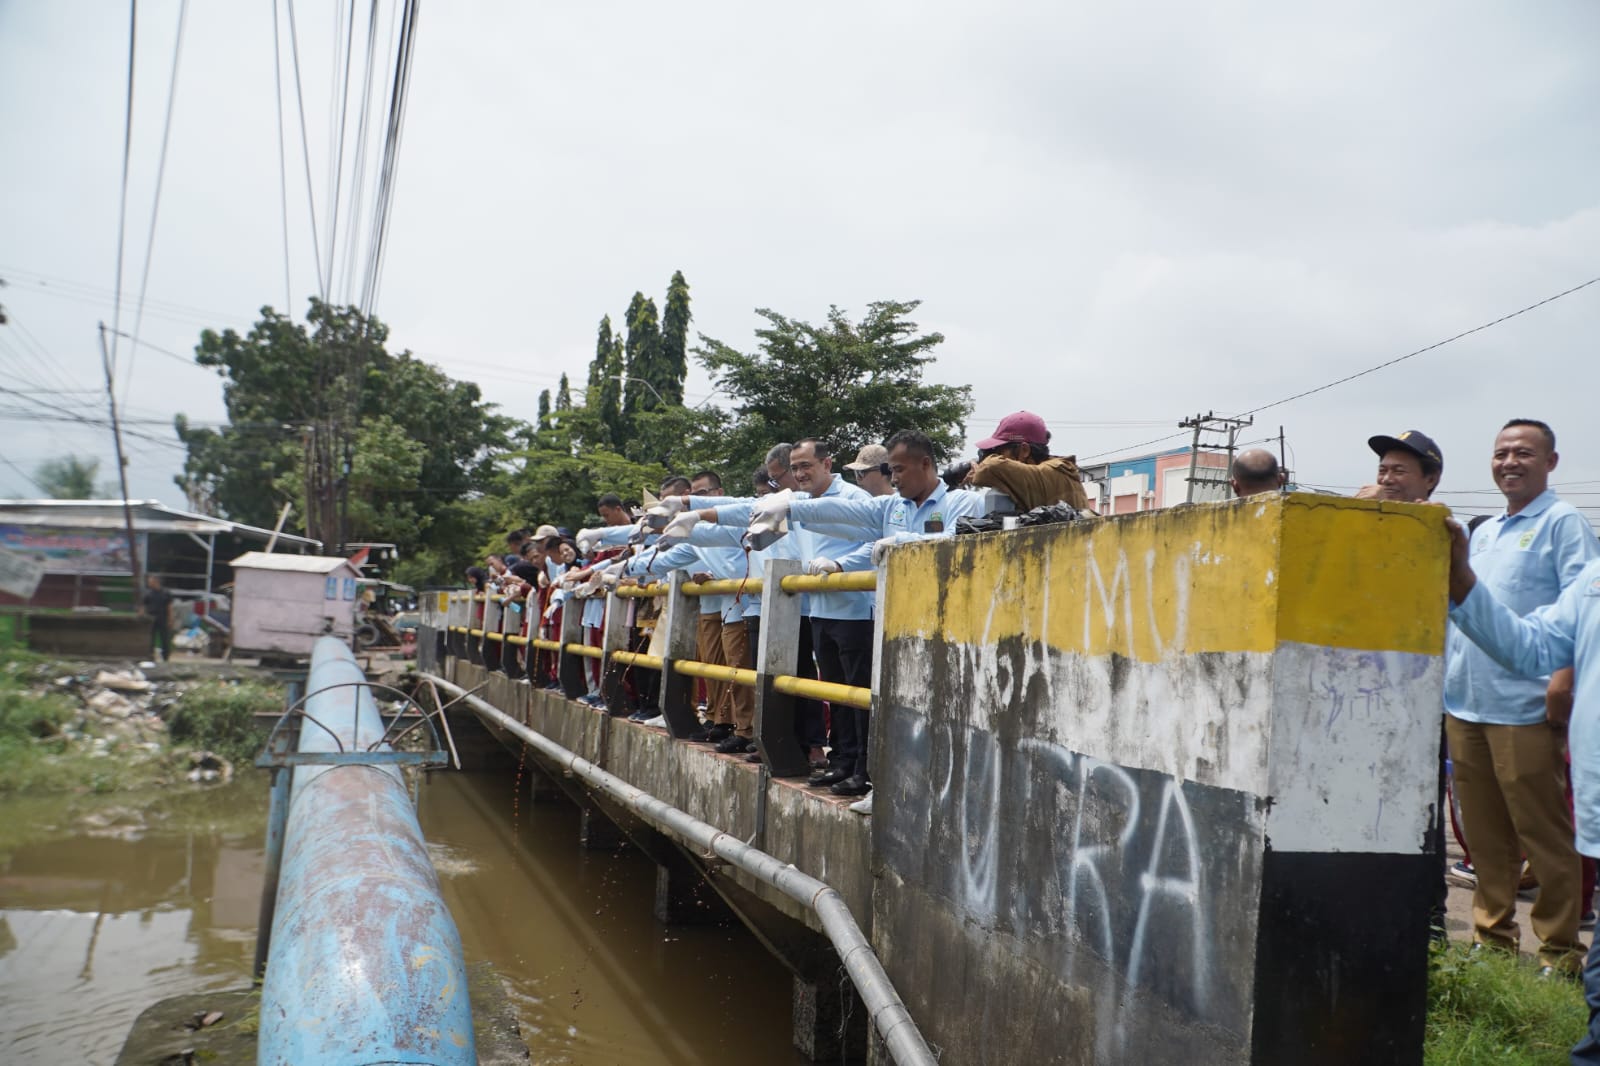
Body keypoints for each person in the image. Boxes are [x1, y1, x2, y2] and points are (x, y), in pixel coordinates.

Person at [1444, 513, 1600, 1053]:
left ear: (1548, 461)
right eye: (1502, 451)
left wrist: (1564, 677)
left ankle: (1558, 952)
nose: (1509, 460)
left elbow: (1582, 611)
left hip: (1524, 706)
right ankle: (1493, 939)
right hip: (1466, 701)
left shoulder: (1564, 525)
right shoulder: (1482, 534)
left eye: (1523, 452)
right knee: (1487, 840)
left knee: (1544, 833)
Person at [967, 411, 1090, 511]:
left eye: (1001, 452)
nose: (999, 457)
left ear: (1024, 450)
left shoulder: (1047, 474)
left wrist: (979, 468)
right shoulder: (1054, 472)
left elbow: (991, 467)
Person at [1355, 431, 1443, 502]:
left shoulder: (1446, 523)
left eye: (1399, 471)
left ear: (1430, 480)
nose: (1386, 479)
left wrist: (1386, 508)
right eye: (1382, 471)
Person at [140, 574, 175, 662]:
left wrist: (170, 619)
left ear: (156, 582)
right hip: (151, 619)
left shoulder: (166, 593)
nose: (149, 583)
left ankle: (165, 657)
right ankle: (150, 655)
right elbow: (143, 605)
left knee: (164, 638)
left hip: (163, 618)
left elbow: (169, 607)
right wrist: (141, 615)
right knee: (150, 638)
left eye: (150, 582)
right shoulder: (148, 593)